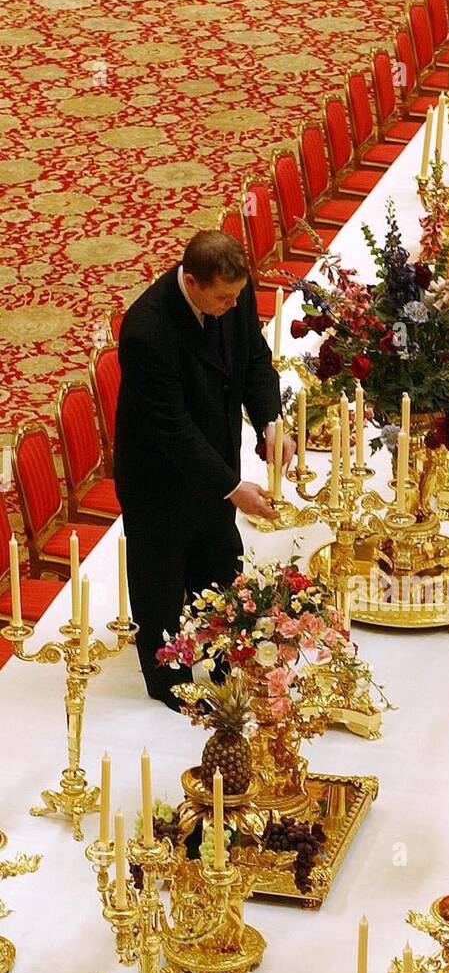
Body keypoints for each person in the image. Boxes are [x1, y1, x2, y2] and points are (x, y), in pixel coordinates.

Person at [115, 230, 292, 709]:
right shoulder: (147, 330)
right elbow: (171, 429)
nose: (232, 306)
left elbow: (254, 359)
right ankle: (168, 682)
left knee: (218, 564)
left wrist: (270, 421)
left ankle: (223, 659)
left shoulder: (234, 292)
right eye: (222, 299)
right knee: (162, 580)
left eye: (236, 297)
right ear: (191, 282)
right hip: (159, 478)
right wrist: (232, 487)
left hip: (214, 459)